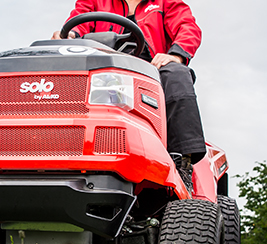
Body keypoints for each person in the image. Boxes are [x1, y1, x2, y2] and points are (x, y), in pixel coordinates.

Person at [52, 0, 206, 191]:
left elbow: (187, 27)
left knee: (177, 73)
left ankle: (182, 162)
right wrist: (68, 35)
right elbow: (77, 24)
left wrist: (176, 55)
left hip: (152, 68)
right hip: (103, 65)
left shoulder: (165, 3)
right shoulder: (94, 2)